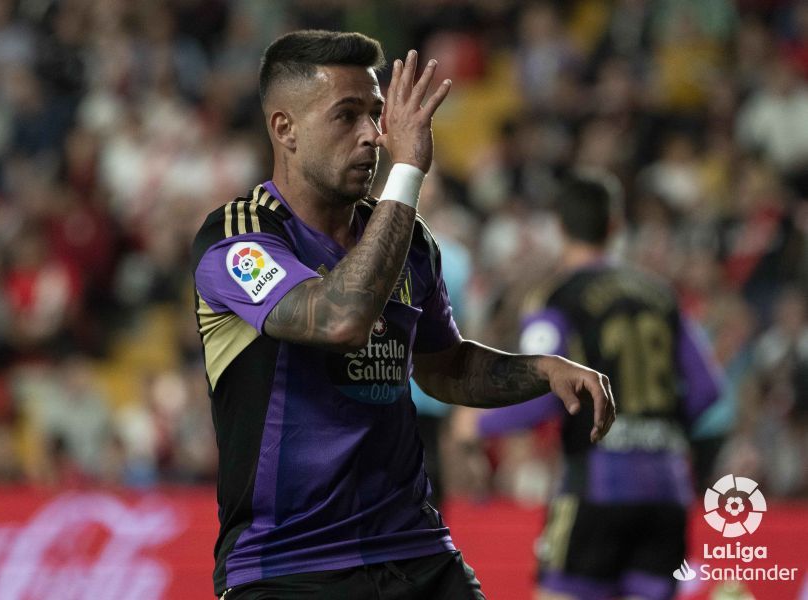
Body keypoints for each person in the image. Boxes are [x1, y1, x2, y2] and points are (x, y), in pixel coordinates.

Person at [191, 30, 616, 600]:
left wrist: (542, 371)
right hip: (289, 564)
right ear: (284, 129)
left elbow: (442, 366)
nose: (373, 135)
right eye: (347, 116)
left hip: (415, 551)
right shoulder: (241, 236)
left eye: (376, 113)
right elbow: (340, 319)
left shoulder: (407, 240)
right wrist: (408, 172)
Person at [470, 173, 721, 600]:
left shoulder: (557, 297)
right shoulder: (659, 294)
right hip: (668, 489)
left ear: (560, 227)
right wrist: (656, 429)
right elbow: (707, 390)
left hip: (599, 487)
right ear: (615, 226)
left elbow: (541, 391)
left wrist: (474, 423)